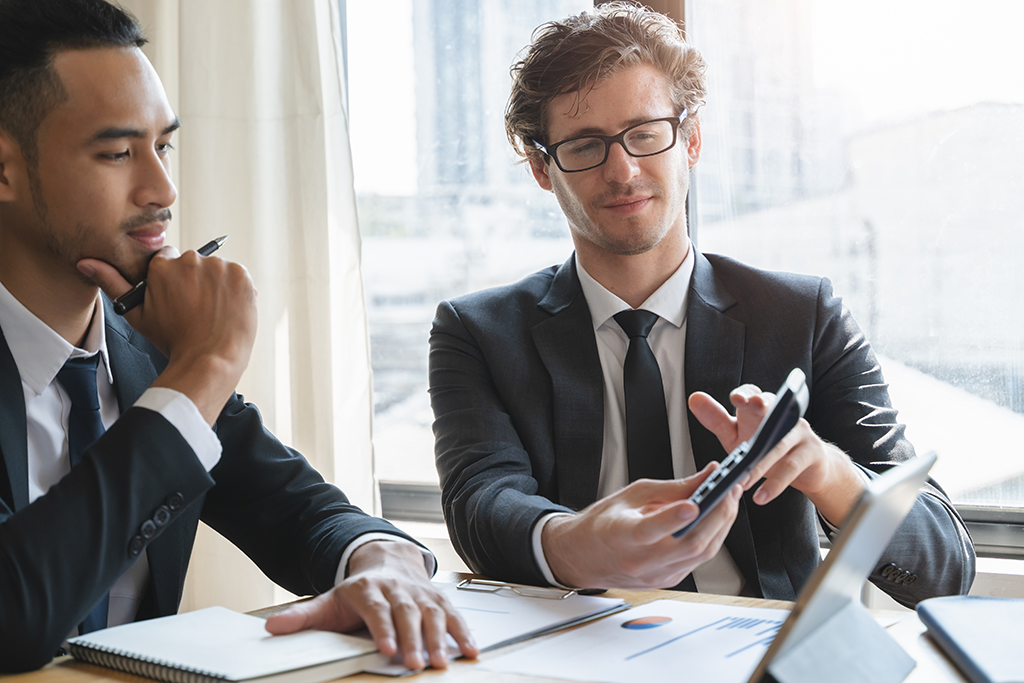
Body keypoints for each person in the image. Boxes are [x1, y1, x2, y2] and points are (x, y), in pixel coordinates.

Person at [429, 1, 974, 606]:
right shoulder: (476, 332)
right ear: (541, 167)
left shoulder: (803, 315)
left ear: (690, 140)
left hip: (754, 652)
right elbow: (481, 507)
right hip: (572, 647)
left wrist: (826, 470)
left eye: (645, 134)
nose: (623, 169)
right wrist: (577, 541)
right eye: (585, 145)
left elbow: (945, 565)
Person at [0, 0, 477, 672]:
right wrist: (204, 367)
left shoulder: (149, 356)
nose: (162, 187)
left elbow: (301, 513)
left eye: (163, 145)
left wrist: (384, 562)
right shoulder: (184, 366)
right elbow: (13, 613)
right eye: (117, 152)